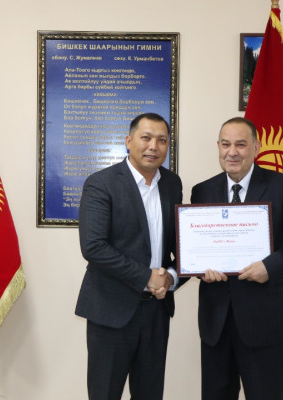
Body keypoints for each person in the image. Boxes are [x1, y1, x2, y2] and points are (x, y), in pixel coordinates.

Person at [191, 116, 283, 400]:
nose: (232, 152)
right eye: (225, 144)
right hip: (216, 326)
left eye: (241, 144)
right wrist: (200, 269)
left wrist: (269, 267)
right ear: (218, 146)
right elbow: (195, 247)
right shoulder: (202, 191)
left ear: (256, 147)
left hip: (264, 324)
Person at [75, 112, 184, 400]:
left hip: (156, 312)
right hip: (111, 310)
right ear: (128, 141)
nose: (153, 146)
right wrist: (146, 276)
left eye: (162, 140)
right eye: (146, 138)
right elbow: (93, 247)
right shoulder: (101, 183)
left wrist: (171, 278)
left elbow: (181, 246)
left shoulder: (172, 184)